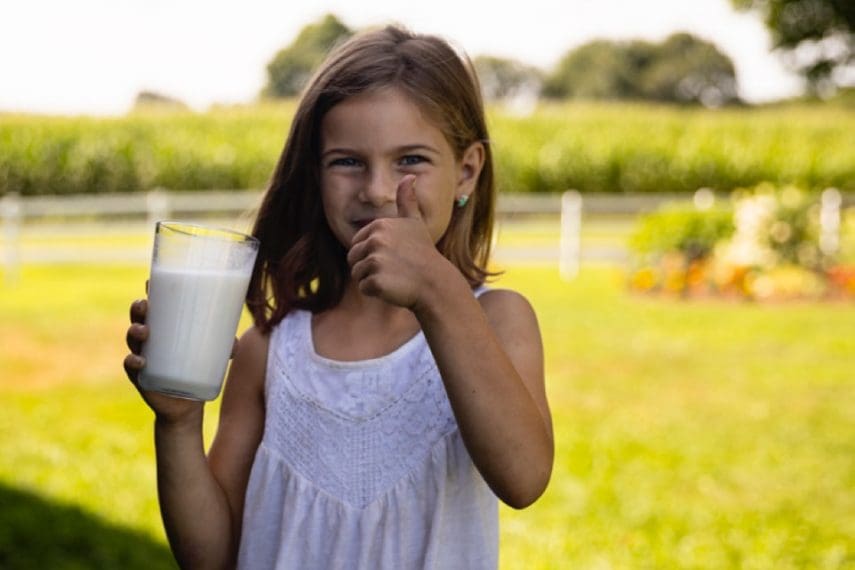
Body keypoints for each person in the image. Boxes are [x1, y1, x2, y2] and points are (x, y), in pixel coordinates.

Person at [124, 25, 553, 569]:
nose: (376, 189)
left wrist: (437, 287)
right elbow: (210, 557)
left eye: (411, 161)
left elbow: (524, 478)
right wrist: (178, 424)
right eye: (347, 161)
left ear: (466, 170)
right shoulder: (268, 350)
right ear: (316, 174)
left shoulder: (497, 320)